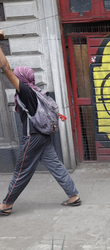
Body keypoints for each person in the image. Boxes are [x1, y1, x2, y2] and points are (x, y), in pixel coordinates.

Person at [0, 44, 81, 216]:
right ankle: (73, 196)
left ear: (20, 79)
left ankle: (6, 204)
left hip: (32, 137)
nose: (13, 77)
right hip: (44, 135)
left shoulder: (25, 92)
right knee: (55, 165)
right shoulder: (37, 91)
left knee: (22, 170)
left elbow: (5, 67)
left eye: (16, 76)